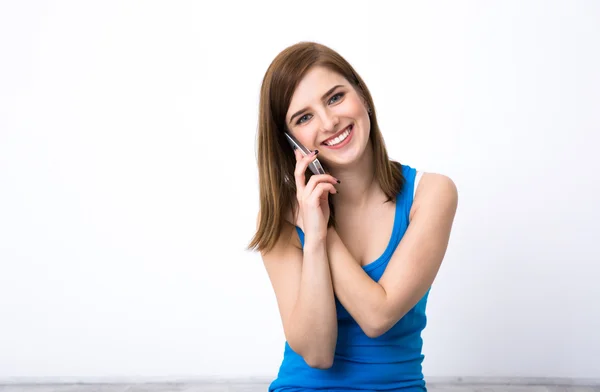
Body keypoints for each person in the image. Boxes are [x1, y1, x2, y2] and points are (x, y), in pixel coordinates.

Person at [248, 41, 458, 392]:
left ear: (361, 94)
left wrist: (323, 229)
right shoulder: (281, 218)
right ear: (291, 142)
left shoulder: (431, 193)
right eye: (304, 117)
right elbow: (317, 354)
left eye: (334, 98)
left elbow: (378, 316)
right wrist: (311, 237)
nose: (330, 122)